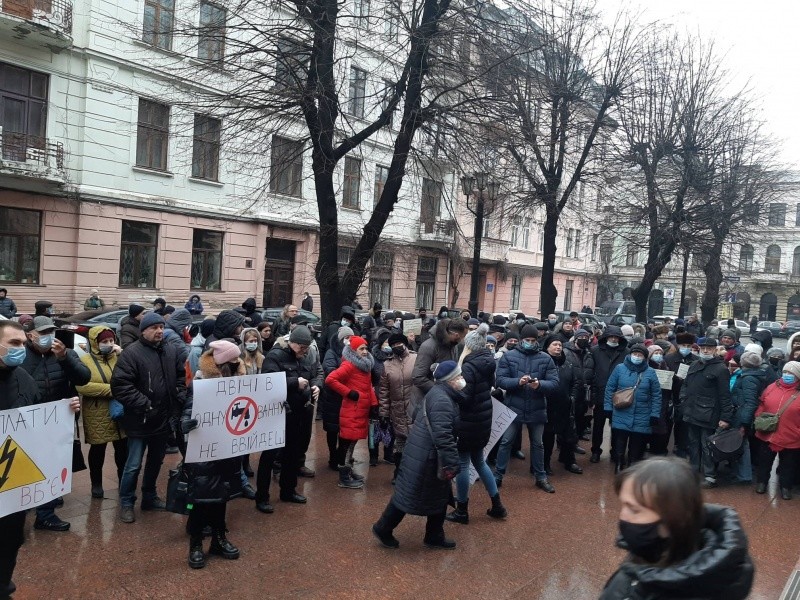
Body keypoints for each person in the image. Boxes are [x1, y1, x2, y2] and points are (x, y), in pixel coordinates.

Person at [0, 321, 80, 599]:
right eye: (14, 344)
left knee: (10, 540)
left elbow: (40, 417)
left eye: (23, 343)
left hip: (13, 481)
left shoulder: (23, 377)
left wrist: (65, 411)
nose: (21, 350)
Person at [600, 457, 754, 599]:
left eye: (634, 509)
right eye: (623, 505)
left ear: (674, 518)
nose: (622, 516)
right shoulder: (653, 553)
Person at [371, 361, 463, 550]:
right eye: (459, 377)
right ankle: (383, 527)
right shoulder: (443, 400)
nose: (462, 380)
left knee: (437, 493)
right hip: (428, 456)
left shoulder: (438, 393)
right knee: (408, 495)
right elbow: (443, 435)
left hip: (423, 452)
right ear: (450, 380)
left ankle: (434, 534)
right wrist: (452, 462)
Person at [111, 313, 187, 523]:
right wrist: (145, 404)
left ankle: (149, 497)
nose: (159, 331)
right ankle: (127, 502)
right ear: (143, 330)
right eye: (154, 327)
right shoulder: (131, 353)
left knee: (156, 461)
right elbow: (120, 386)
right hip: (140, 419)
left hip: (164, 419)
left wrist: (179, 393)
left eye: (161, 327)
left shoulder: (169, 350)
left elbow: (181, 375)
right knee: (133, 464)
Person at [21, 315, 91, 532]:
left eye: (50, 332)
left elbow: (83, 378)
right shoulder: (21, 356)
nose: (47, 337)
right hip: (29, 422)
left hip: (58, 421)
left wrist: (64, 358)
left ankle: (46, 514)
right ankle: (24, 504)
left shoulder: (65, 354)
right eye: (42, 333)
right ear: (30, 335)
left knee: (52, 465)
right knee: (26, 466)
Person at [180, 340, 244, 569]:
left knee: (222, 497)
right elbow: (187, 408)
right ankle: (196, 544)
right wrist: (186, 422)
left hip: (228, 449)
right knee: (201, 500)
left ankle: (219, 539)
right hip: (205, 451)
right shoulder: (201, 383)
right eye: (234, 359)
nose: (238, 362)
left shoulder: (239, 382)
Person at [446, 324, 506, 524]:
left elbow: (465, 397)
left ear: (469, 346)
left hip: (468, 422)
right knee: (480, 461)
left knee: (463, 463)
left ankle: (462, 510)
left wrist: (452, 387)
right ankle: (497, 505)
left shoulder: (469, 366)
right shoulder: (488, 361)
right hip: (482, 421)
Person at [256, 324, 316, 508]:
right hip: (276, 413)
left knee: (292, 453)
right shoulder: (275, 356)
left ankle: (288, 490)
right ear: (292, 342)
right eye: (301, 347)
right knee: (269, 456)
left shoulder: (303, 357)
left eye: (306, 348)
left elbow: (313, 375)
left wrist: (315, 386)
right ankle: (262, 497)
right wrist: (293, 382)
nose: (304, 351)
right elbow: (268, 382)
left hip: (296, 413)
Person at [494, 324, 559, 493]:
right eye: (527, 340)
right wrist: (517, 382)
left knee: (538, 444)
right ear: (521, 340)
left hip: (536, 408)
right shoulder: (509, 357)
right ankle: (498, 475)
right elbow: (500, 380)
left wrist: (539, 385)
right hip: (513, 406)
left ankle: (540, 477)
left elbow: (554, 383)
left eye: (533, 340)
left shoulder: (545, 358)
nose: (530, 343)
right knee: (506, 442)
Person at [75, 326, 128, 500]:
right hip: (97, 412)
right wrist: (112, 390)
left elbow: (130, 376)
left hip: (120, 411)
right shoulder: (85, 361)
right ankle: (96, 484)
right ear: (95, 343)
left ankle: (123, 482)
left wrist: (122, 355)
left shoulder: (119, 357)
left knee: (122, 449)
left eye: (111, 341)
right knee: (98, 450)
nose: (109, 344)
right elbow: (82, 386)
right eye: (104, 342)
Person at [325, 336, 378, 488]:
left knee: (352, 443)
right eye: (361, 349)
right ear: (353, 350)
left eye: (366, 348)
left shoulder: (364, 366)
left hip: (361, 410)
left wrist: (374, 404)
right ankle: (343, 476)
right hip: (351, 411)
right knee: (345, 444)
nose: (365, 351)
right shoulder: (349, 365)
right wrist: (348, 392)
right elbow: (330, 379)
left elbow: (368, 387)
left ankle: (347, 470)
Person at [680, 338, 733, 489]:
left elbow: (725, 395)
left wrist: (725, 417)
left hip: (709, 413)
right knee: (693, 443)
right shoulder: (694, 364)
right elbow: (686, 384)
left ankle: (710, 475)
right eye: (703, 348)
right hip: (691, 411)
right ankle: (694, 471)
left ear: (715, 350)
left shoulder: (720, 369)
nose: (705, 350)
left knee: (707, 445)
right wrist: (683, 400)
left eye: (709, 348)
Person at [603, 344, 661, 473]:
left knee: (636, 442)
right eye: (635, 354)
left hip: (642, 412)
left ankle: (631, 464)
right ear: (630, 355)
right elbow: (610, 388)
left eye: (640, 355)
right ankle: (618, 464)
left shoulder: (650, 372)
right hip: (621, 410)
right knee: (620, 439)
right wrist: (608, 407)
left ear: (645, 358)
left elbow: (656, 395)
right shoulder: (619, 369)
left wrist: (654, 414)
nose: (637, 357)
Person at [754, 361, 800, 499]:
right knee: (764, 462)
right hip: (767, 433)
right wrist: (759, 416)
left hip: (791, 436)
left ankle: (785, 488)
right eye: (785, 372)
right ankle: (762, 482)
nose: (787, 375)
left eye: (791, 373)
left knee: (788, 465)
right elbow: (762, 403)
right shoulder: (772, 387)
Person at [540, 335, 584, 477]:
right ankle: (544, 464)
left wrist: (572, 397)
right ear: (547, 347)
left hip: (565, 405)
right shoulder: (541, 362)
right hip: (546, 406)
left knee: (568, 436)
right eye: (554, 344)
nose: (558, 347)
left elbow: (576, 381)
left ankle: (568, 460)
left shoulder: (567, 363)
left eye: (560, 344)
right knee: (547, 437)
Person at [379, 333, 417, 483]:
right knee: (399, 443)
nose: (396, 347)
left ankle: (413, 473)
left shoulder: (416, 358)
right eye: (393, 345)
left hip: (414, 408)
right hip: (397, 410)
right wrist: (383, 413)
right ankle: (399, 471)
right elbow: (384, 391)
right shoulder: (387, 365)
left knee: (415, 443)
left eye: (399, 344)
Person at [590, 326, 629, 463]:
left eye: (616, 337)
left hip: (619, 395)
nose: (613, 339)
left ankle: (615, 452)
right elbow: (591, 372)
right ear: (606, 337)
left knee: (617, 426)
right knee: (598, 426)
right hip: (600, 392)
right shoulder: (595, 351)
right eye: (611, 336)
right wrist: (593, 397)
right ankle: (595, 451)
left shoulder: (626, 353)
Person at [411, 317, 468, 412]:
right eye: (463, 336)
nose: (464, 339)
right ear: (456, 335)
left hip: (443, 400)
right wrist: (442, 390)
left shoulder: (453, 345)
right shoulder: (429, 346)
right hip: (426, 403)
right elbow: (418, 377)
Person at [730, 351, 768, 486]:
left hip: (742, 416)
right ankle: (742, 473)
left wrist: (744, 423)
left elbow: (750, 402)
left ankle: (744, 475)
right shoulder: (754, 375)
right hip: (742, 414)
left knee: (742, 445)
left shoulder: (748, 378)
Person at [321, 326, 353, 470]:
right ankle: (333, 456)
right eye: (346, 338)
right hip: (333, 396)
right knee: (333, 429)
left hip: (347, 396)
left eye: (350, 338)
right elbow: (329, 369)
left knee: (346, 428)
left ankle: (343, 454)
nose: (348, 341)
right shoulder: (331, 352)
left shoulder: (353, 353)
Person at [564, 329, 595, 447]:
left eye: (586, 338)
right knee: (568, 420)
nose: (584, 340)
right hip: (571, 391)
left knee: (579, 419)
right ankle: (565, 445)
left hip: (584, 392)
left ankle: (574, 443)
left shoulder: (589, 353)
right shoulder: (566, 352)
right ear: (575, 339)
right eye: (581, 338)